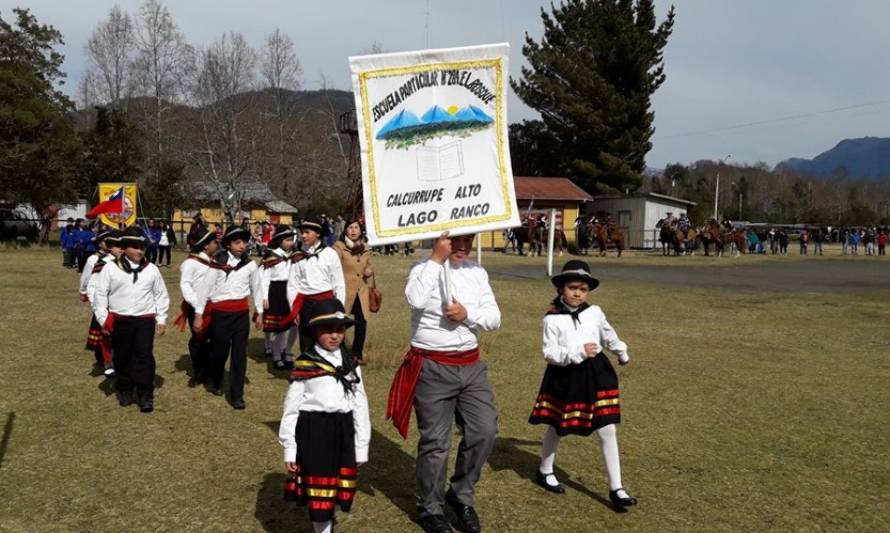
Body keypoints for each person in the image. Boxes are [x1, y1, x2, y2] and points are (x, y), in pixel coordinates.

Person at [387, 232, 501, 533]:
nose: (462, 246)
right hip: (433, 365)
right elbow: (414, 299)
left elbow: (494, 318)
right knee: (436, 442)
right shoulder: (421, 267)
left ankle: (460, 494)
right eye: (455, 241)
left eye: (468, 240)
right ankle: (430, 508)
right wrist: (436, 259)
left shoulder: (477, 272)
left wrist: (467, 315)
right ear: (441, 240)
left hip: (471, 365)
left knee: (484, 430)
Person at [528, 260, 636, 509]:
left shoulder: (594, 312)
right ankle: (545, 470)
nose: (577, 293)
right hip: (565, 375)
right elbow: (550, 352)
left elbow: (608, 334)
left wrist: (621, 351)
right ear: (561, 289)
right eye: (572, 287)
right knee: (558, 425)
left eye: (583, 289)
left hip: (597, 373)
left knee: (607, 428)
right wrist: (577, 351)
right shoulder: (551, 319)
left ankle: (616, 487)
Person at [279, 299, 370, 533]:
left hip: (344, 430)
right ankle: (322, 527)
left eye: (339, 330)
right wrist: (290, 447)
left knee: (338, 487)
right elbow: (291, 409)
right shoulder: (305, 364)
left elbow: (360, 406)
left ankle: (327, 521)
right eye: (328, 330)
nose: (334, 336)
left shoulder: (351, 364)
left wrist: (362, 446)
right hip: (314, 432)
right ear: (315, 332)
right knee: (319, 492)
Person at [92, 227, 170, 412]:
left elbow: (161, 295)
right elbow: (100, 295)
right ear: (125, 247)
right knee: (123, 356)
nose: (140, 251)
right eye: (135, 247)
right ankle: (125, 389)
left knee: (143, 356)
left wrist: (161, 319)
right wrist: (103, 319)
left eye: (142, 247)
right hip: (121, 319)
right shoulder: (110, 268)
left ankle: (145, 395)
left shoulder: (151, 269)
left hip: (144, 320)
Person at [200, 226, 261, 409]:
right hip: (221, 314)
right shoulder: (217, 263)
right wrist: (198, 313)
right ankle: (217, 379)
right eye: (237, 242)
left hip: (241, 314)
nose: (242, 246)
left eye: (244, 242)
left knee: (239, 355)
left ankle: (237, 395)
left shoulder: (250, 264)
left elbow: (257, 288)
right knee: (220, 351)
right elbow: (205, 288)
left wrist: (259, 312)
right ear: (228, 244)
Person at [286, 218, 346, 353]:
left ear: (318, 234)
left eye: (307, 232)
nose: (303, 236)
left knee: (327, 338)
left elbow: (338, 283)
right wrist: (293, 308)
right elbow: (292, 284)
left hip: (327, 303)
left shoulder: (330, 254)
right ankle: (308, 371)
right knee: (306, 339)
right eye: (302, 233)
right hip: (306, 304)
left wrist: (339, 307)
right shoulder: (298, 256)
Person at [174, 227, 218, 386]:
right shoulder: (191, 263)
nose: (217, 244)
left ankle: (211, 370)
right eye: (214, 242)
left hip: (213, 306)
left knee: (213, 339)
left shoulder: (214, 262)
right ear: (205, 245)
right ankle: (199, 370)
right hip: (197, 307)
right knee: (199, 339)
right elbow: (185, 285)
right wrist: (197, 303)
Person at [81, 229, 122, 376]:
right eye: (118, 245)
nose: (121, 249)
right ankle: (107, 361)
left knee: (120, 336)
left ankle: (117, 360)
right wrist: (95, 303)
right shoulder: (99, 262)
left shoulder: (126, 263)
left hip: (122, 306)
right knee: (105, 335)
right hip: (105, 306)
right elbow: (90, 283)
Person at [257, 225, 298, 370]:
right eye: (287, 240)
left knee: (293, 325)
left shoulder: (294, 255)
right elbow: (264, 279)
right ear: (279, 241)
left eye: (291, 240)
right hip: (276, 292)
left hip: (291, 291)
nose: (290, 243)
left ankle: (286, 352)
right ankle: (276, 356)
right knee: (279, 326)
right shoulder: (271, 256)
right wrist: (264, 296)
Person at [333, 218, 374, 361]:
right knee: (340, 321)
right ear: (345, 230)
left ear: (361, 230)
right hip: (344, 290)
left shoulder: (366, 248)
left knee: (362, 321)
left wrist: (369, 270)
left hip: (361, 290)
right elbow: (333, 265)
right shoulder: (339, 247)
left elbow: (369, 264)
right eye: (350, 227)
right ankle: (340, 350)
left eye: (356, 227)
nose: (353, 230)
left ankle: (357, 352)